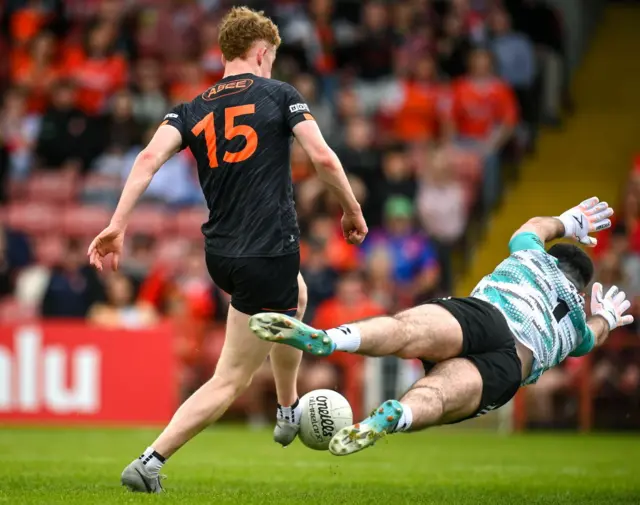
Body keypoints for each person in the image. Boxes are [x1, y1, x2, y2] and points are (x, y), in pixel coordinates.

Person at [87, 7, 367, 492]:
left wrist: (117, 225)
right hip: (268, 249)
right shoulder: (281, 94)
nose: (272, 66)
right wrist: (351, 208)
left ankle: (286, 408)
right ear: (262, 53)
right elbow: (321, 156)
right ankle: (151, 460)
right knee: (230, 377)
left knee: (294, 297)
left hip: (221, 254)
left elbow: (149, 158)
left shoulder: (190, 107)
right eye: (272, 58)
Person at [251, 197, 633, 456]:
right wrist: (607, 317)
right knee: (438, 396)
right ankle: (395, 416)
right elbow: (593, 337)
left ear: (553, 256)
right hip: (513, 363)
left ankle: (331, 338)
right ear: (580, 290)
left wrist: (569, 222)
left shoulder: (533, 256)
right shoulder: (578, 328)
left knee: (405, 331)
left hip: (490, 315)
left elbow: (533, 226)